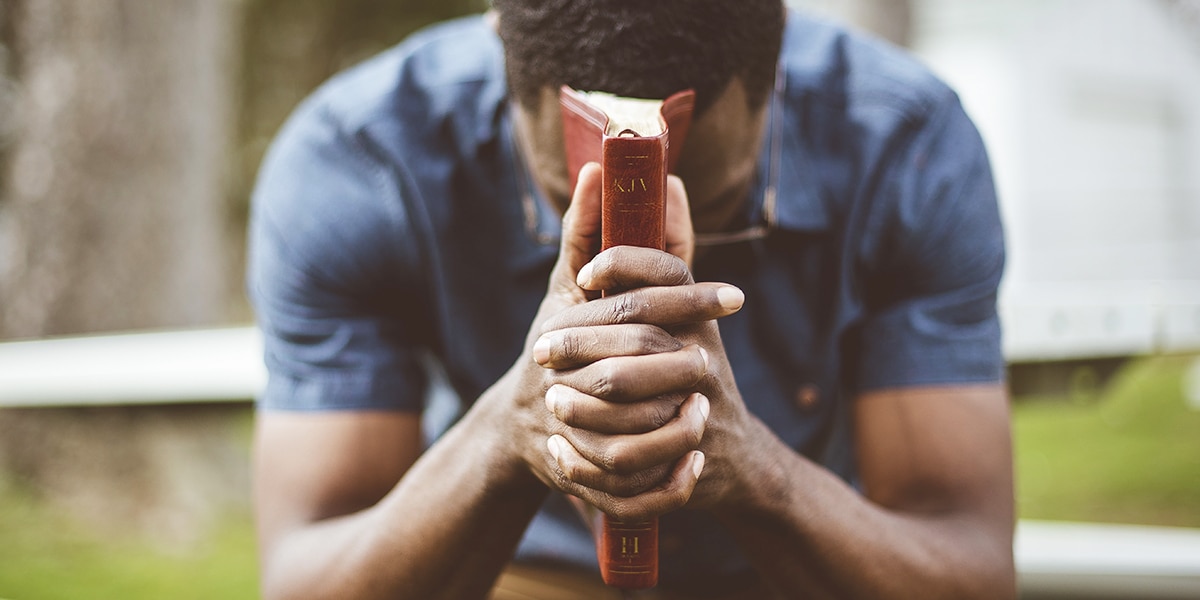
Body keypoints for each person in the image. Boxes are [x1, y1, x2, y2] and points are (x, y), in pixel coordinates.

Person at [246, 1, 1015, 598]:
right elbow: (308, 571)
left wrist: (756, 471)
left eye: (708, 211)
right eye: (568, 201)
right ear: (501, 46)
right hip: (517, 571)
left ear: (774, 59)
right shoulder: (362, 161)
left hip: (787, 571)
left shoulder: (904, 144)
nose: (641, 288)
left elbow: (969, 567)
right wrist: (507, 434)